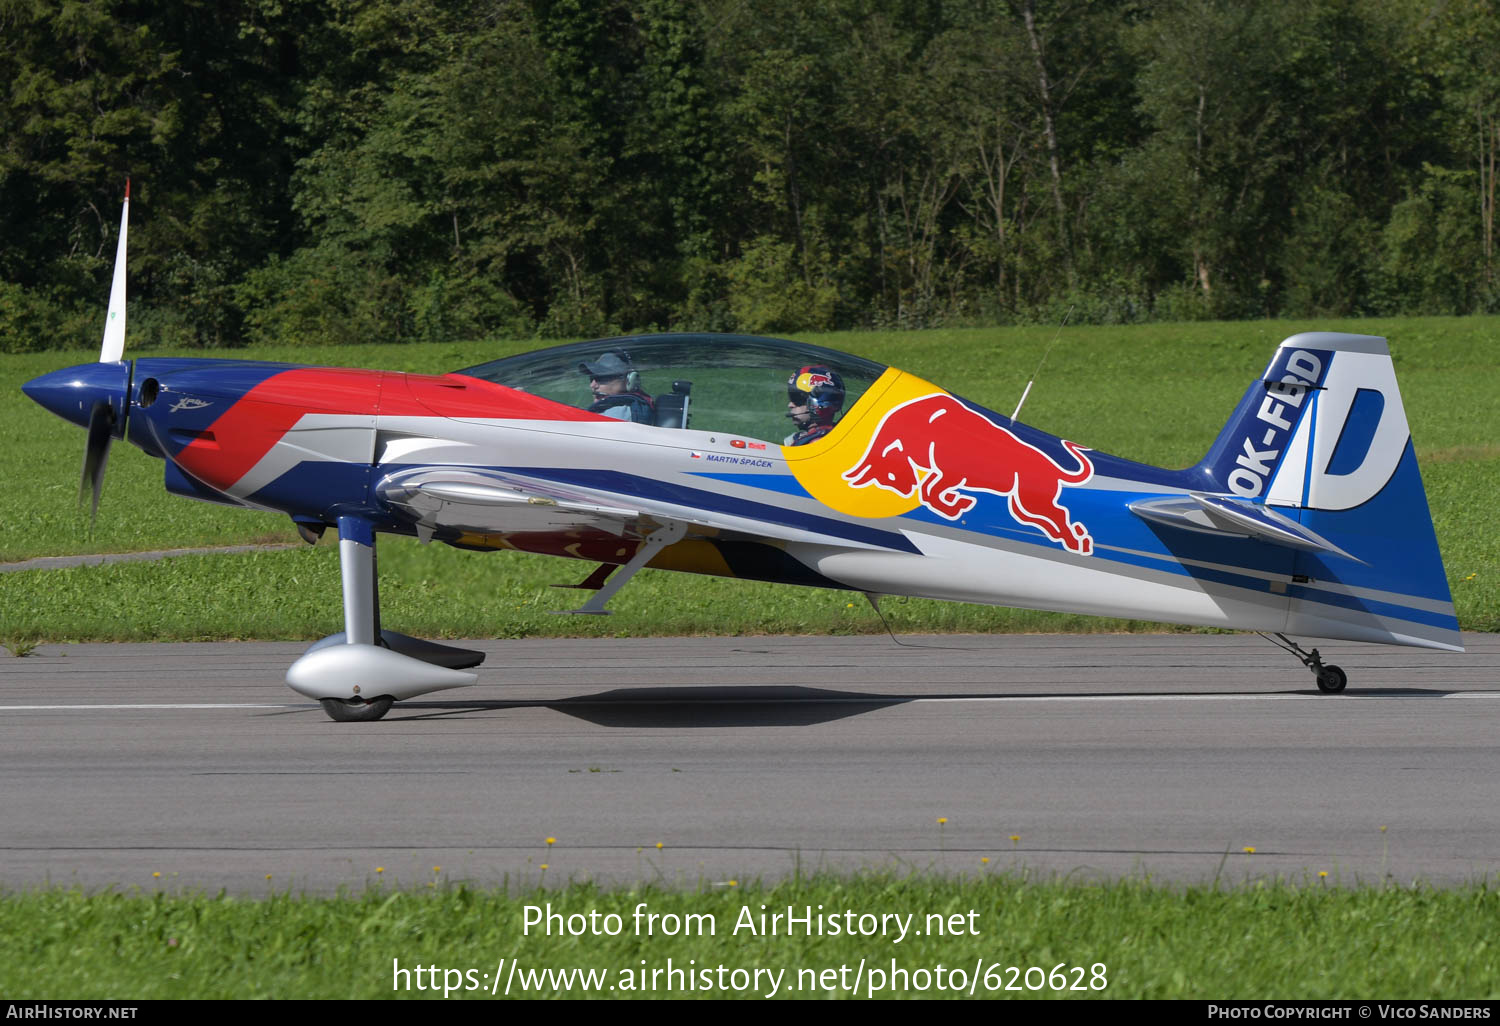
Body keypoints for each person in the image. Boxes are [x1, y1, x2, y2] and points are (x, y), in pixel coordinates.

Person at [578, 350, 655, 424]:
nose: (592, 385)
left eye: (601, 378)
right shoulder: (640, 405)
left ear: (630, 380)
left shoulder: (618, 413)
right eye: (592, 378)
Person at [785, 364, 844, 445]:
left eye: (796, 399)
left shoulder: (819, 444)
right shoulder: (803, 438)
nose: (790, 405)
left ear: (818, 404)